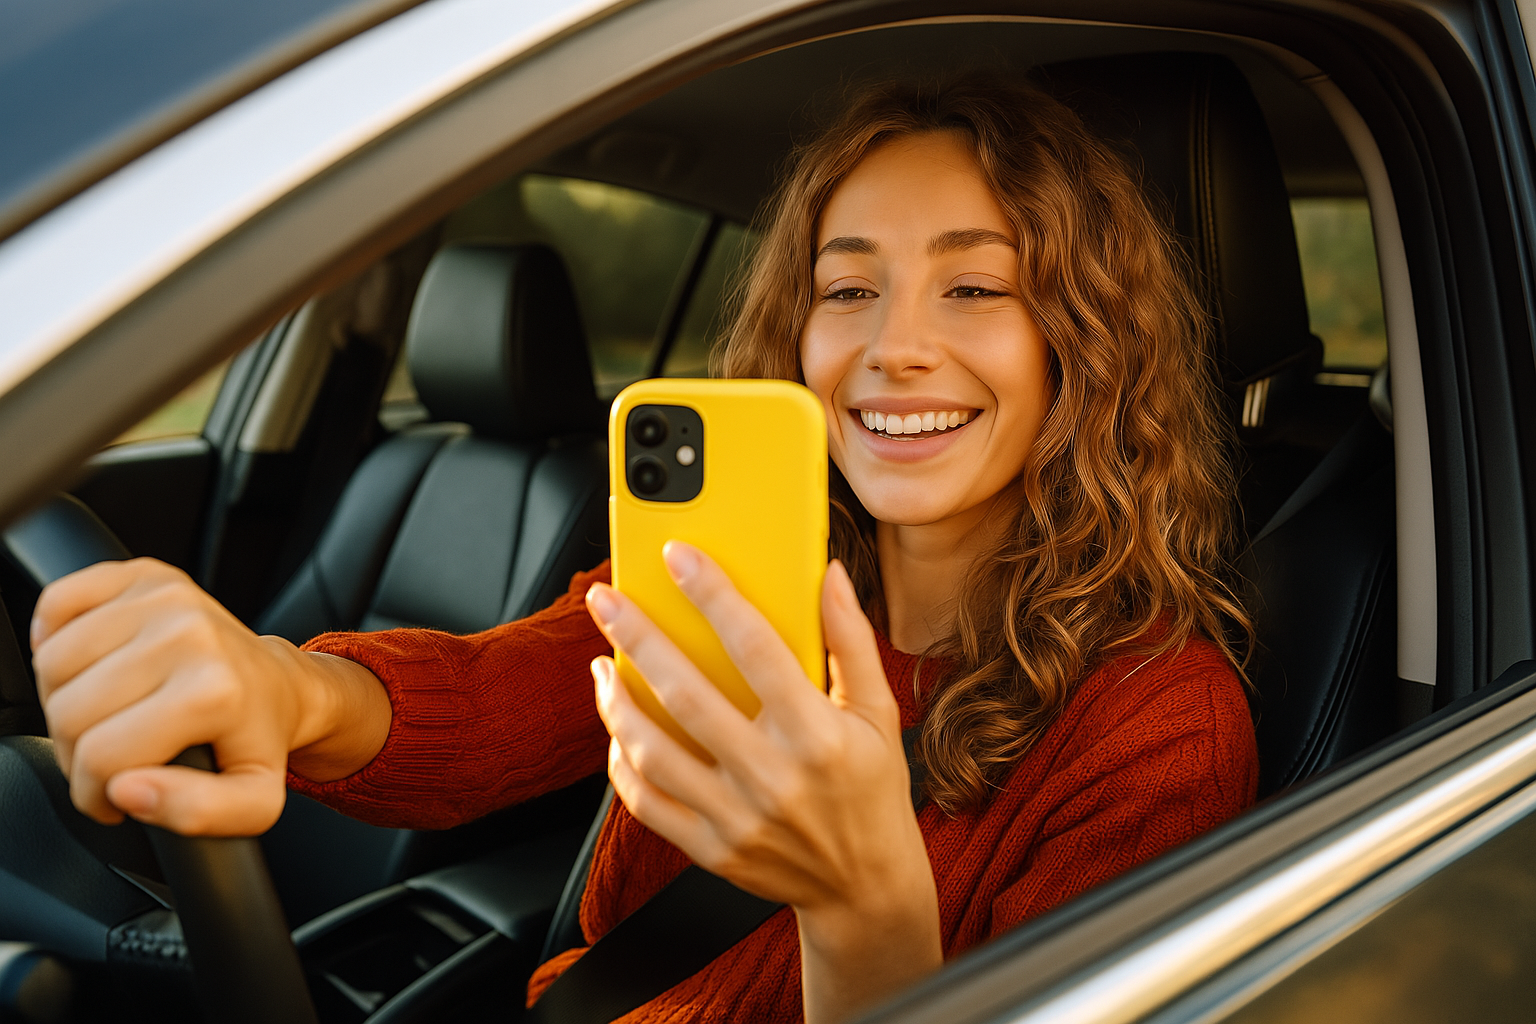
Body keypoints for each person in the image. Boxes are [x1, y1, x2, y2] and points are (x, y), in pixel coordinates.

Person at [30, 78, 1259, 1024]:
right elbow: (490, 701)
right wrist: (281, 685)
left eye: (975, 290)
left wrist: (865, 907)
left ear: (1082, 347)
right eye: (847, 290)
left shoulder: (1158, 731)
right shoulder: (732, 571)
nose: (895, 349)